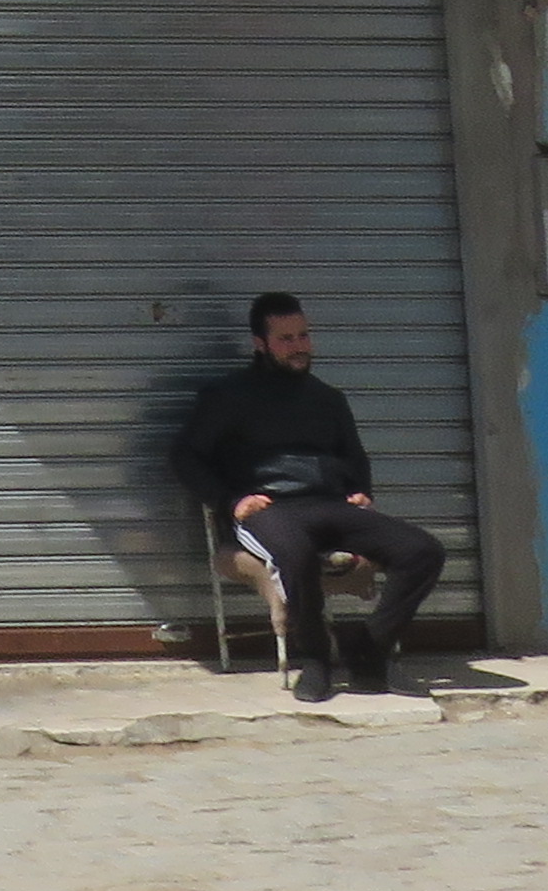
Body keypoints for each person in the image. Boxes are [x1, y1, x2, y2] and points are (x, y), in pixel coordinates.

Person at [172, 291, 450, 703]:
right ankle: (316, 659)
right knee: (296, 554)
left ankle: (369, 652)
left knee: (422, 551)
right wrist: (231, 502)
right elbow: (185, 457)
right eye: (285, 339)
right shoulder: (228, 396)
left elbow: (354, 456)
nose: (299, 346)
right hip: (268, 510)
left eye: (303, 336)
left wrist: (360, 491)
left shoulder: (327, 399)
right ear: (260, 344)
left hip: (331, 506)